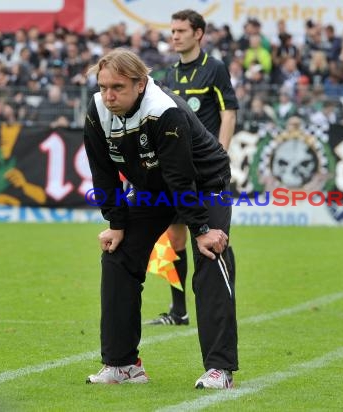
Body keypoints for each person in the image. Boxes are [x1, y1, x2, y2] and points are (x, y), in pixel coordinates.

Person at [83, 48, 238, 389]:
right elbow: (103, 172)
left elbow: (180, 178)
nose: (108, 95)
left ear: (140, 85)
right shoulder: (97, 109)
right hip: (154, 185)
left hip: (202, 182)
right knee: (117, 257)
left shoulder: (164, 110)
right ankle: (123, 365)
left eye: (118, 88)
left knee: (212, 256)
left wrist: (201, 229)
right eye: (104, 86)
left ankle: (220, 369)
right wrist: (117, 224)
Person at [147, 9, 238, 326]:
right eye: (172, 31)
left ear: (198, 33)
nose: (174, 36)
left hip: (207, 172)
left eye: (181, 31)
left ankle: (211, 312)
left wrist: (220, 153)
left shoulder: (214, 69)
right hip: (177, 173)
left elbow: (228, 113)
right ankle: (178, 310)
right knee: (174, 240)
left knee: (209, 243)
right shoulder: (169, 74)